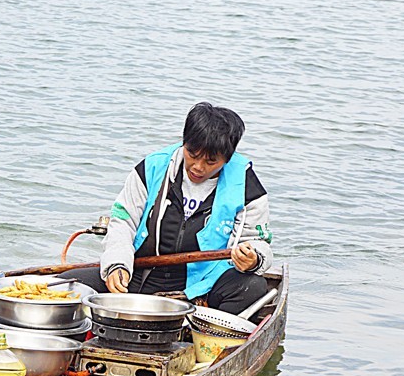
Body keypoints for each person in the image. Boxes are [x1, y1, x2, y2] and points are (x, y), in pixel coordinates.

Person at [63, 102, 273, 315]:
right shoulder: (153, 168)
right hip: (142, 274)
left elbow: (258, 244)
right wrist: (117, 265)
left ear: (227, 159)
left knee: (252, 287)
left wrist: (252, 259)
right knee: (65, 284)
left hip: (204, 285)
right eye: (192, 154)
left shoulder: (247, 186)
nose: (198, 167)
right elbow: (122, 223)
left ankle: (205, 331)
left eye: (211, 161)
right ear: (184, 143)